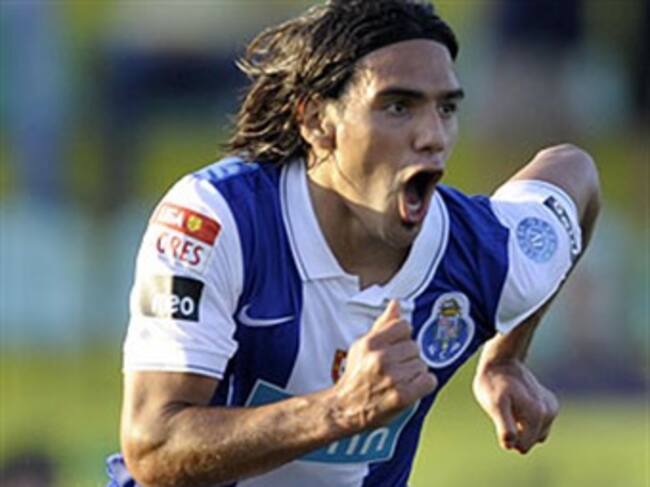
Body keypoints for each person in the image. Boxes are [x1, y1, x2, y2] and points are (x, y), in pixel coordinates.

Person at [105, 1, 601, 486]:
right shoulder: (219, 219)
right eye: (398, 106)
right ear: (316, 121)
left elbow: (575, 172)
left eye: (446, 108)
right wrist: (341, 409)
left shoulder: (480, 253)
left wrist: (506, 356)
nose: (433, 136)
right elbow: (154, 445)